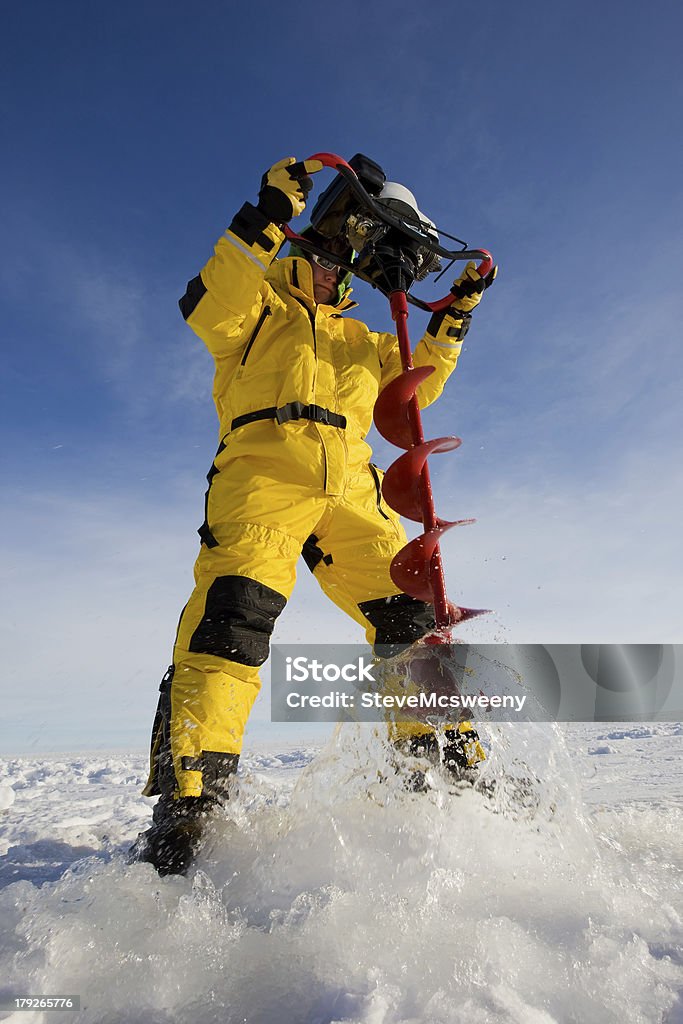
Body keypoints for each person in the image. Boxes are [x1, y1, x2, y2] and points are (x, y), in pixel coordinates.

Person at [129, 157, 496, 876]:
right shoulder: (258, 310)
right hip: (262, 476)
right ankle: (191, 808)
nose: (334, 271)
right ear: (299, 252)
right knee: (230, 625)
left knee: (411, 619)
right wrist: (268, 210)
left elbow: (419, 380)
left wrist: (455, 312)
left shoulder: (362, 338)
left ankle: (440, 770)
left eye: (343, 265)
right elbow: (209, 302)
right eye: (322, 256)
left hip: (354, 491)